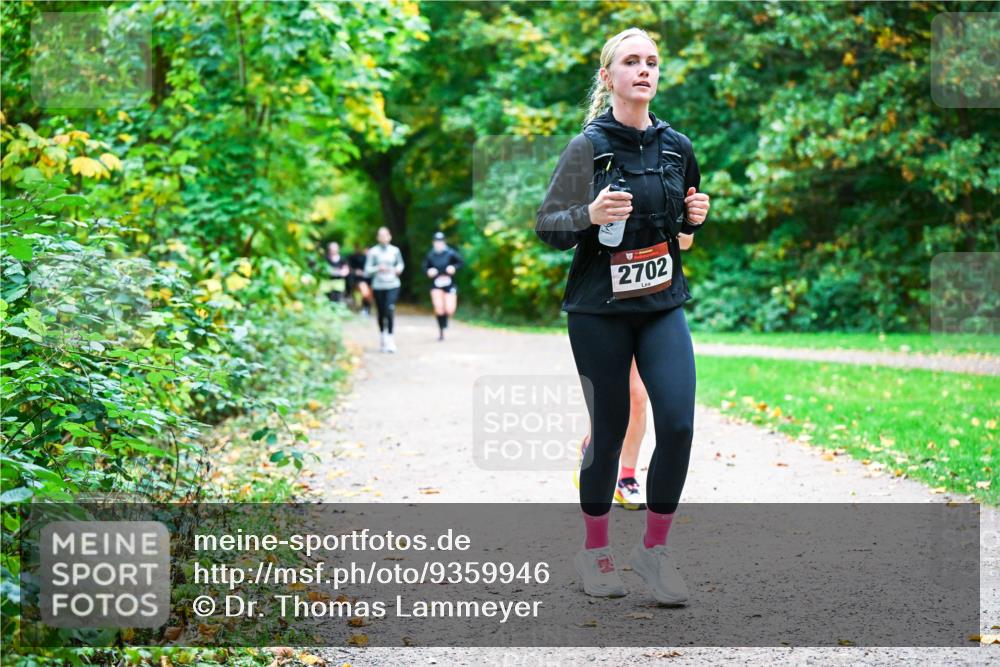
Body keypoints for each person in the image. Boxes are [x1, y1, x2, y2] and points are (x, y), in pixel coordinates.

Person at [536, 28, 710, 605]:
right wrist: (587, 212)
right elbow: (548, 228)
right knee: (608, 433)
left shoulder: (677, 147)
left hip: (661, 305)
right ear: (608, 76)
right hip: (598, 310)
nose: (644, 70)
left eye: (652, 62)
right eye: (631, 62)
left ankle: (654, 553)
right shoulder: (586, 147)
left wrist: (695, 218)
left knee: (679, 425)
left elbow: (680, 236)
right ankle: (596, 552)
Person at [574, 232, 695, 512]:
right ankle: (595, 447)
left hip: (653, 306)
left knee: (638, 396)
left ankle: (626, 477)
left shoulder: (669, 187)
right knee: (614, 407)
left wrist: (685, 221)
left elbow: (686, 242)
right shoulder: (598, 186)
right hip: (603, 306)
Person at [364, 227, 405, 353]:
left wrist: (398, 269)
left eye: (385, 235)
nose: (383, 237)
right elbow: (367, 270)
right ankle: (383, 337)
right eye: (381, 235)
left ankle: (390, 340)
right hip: (378, 286)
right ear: (378, 238)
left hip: (392, 284)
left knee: (390, 309)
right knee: (381, 312)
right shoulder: (373, 252)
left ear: (389, 236)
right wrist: (378, 268)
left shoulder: (395, 251)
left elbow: (400, 264)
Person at [422, 231, 464, 341]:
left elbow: (461, 263)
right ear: (433, 242)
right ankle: (441, 332)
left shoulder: (450, 253)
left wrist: (454, 268)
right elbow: (424, 267)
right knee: (439, 308)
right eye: (436, 241)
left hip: (449, 284)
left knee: (449, 309)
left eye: (440, 241)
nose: (438, 243)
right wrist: (429, 271)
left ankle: (445, 322)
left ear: (444, 242)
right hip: (436, 284)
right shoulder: (430, 255)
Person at [347, 244, 373, 316]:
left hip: (372, 280)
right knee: (365, 293)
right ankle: (365, 309)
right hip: (361, 279)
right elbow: (353, 268)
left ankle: (366, 309)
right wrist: (357, 271)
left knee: (369, 296)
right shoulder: (360, 258)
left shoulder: (375, 259)